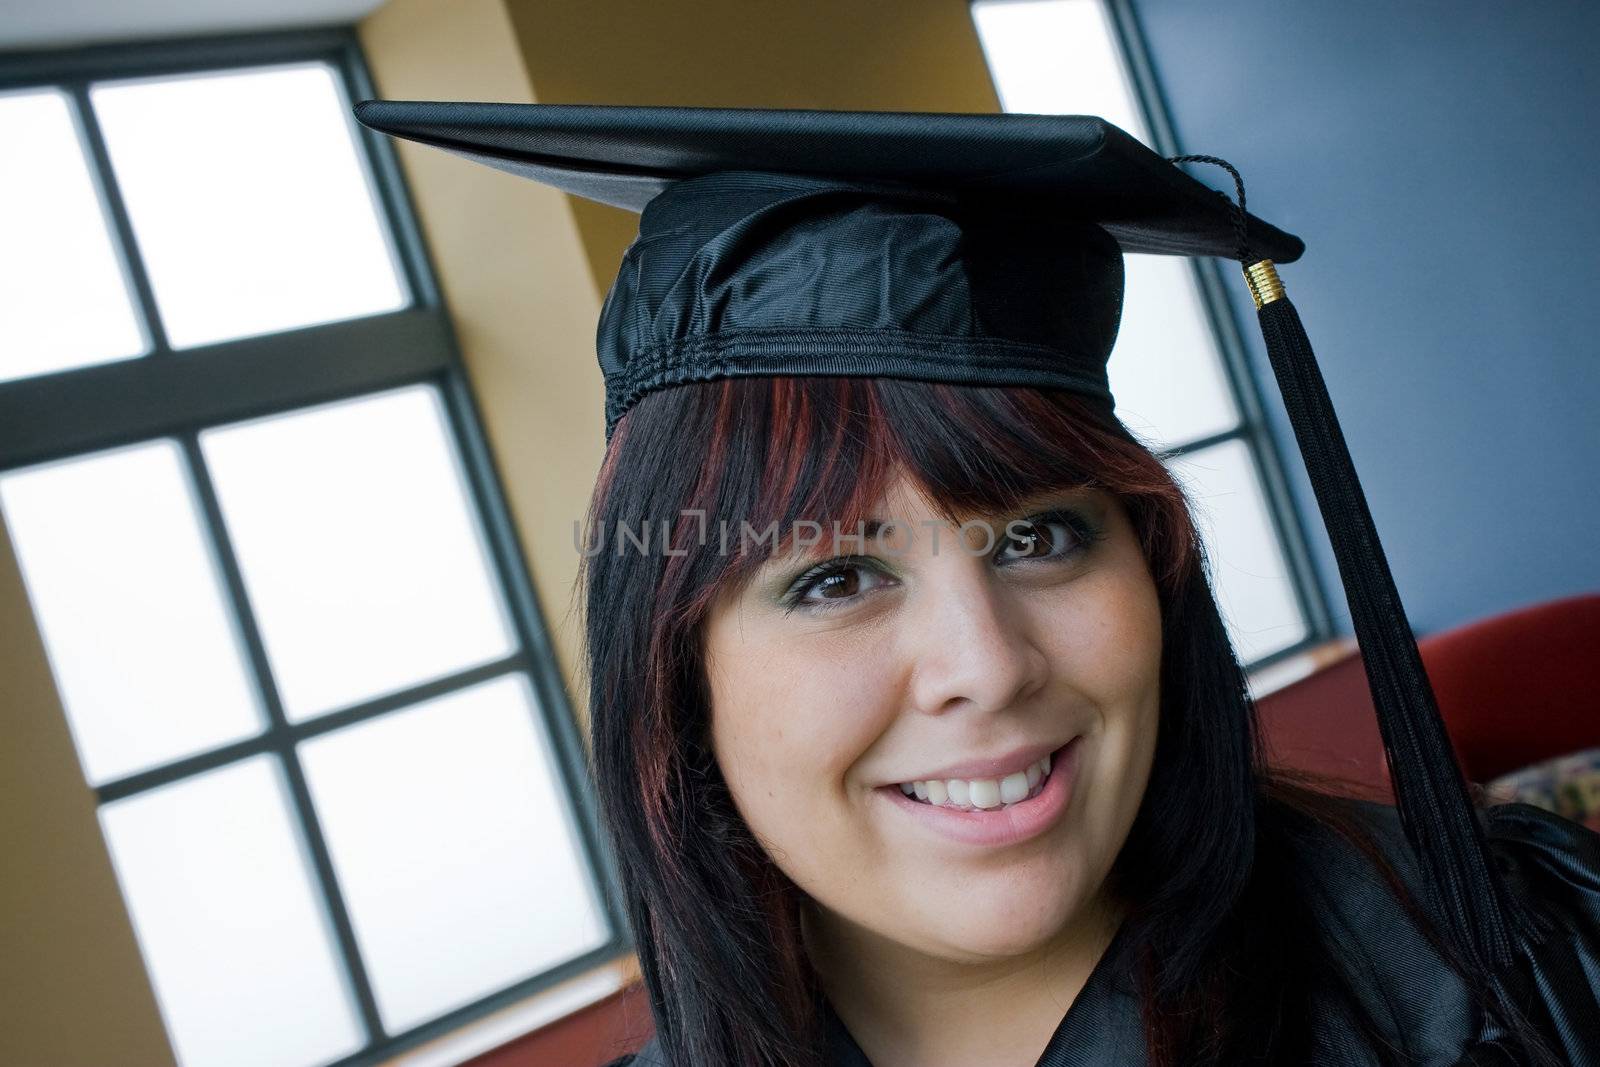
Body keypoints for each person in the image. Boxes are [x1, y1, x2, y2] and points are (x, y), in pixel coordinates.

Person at [353, 102, 1600, 1066]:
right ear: (679, 674)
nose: (987, 661)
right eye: (836, 573)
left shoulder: (1507, 971)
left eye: (1041, 537)